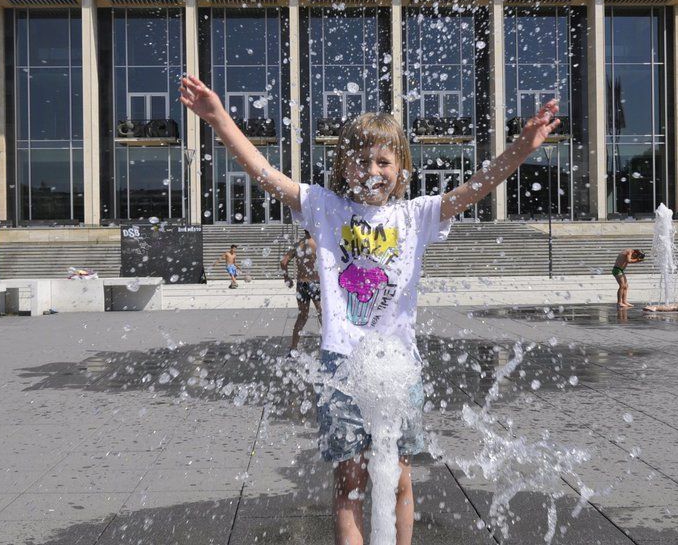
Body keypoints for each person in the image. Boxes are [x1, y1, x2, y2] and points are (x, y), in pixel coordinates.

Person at [179, 74, 559, 545]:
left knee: (399, 477)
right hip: (343, 363)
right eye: (362, 161)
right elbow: (264, 173)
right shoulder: (324, 206)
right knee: (350, 481)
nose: (373, 170)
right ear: (344, 167)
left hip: (398, 366)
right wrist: (218, 118)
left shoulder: (416, 215)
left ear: (401, 169)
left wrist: (521, 147)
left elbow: (479, 186)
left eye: (384, 160)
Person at [280, 230, 322, 353]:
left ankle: (293, 348)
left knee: (302, 316)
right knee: (323, 315)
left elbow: (283, 262)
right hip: (316, 283)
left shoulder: (298, 245)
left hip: (301, 284)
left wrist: (286, 277)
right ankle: (329, 347)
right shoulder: (319, 243)